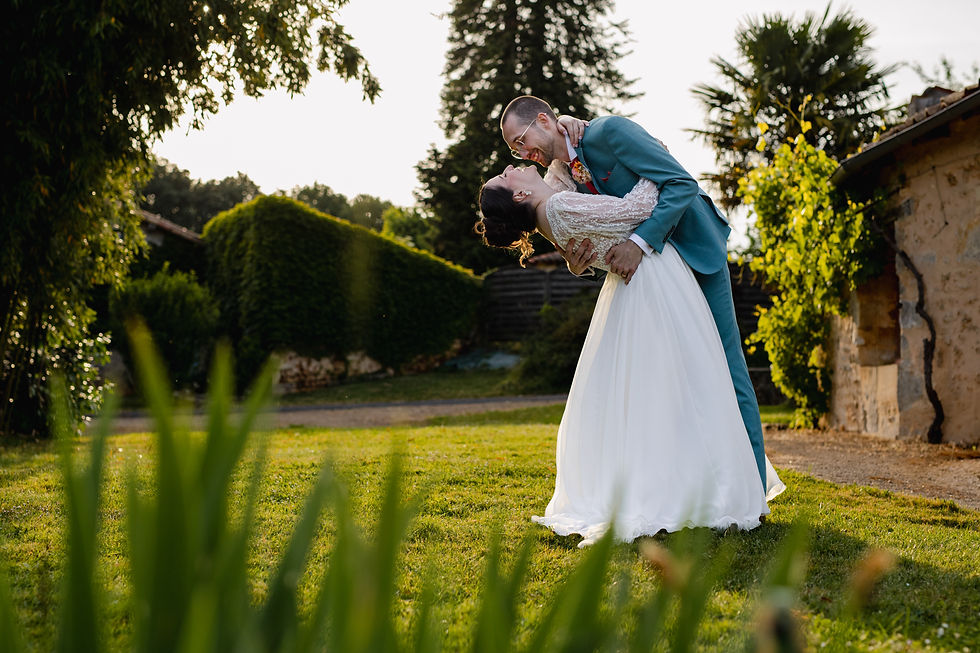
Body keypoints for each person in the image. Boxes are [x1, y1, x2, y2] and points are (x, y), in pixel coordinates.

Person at [477, 164, 784, 546]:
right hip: (653, 282)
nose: (510, 167)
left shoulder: (549, 213)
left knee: (664, 390)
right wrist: (655, 164)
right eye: (505, 178)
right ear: (519, 196)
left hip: (636, 283)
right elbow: (637, 210)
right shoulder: (558, 209)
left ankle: (690, 483)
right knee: (693, 384)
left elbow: (563, 171)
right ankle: (698, 489)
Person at [498, 95, 770, 492]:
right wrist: (582, 267)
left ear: (543, 119)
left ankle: (754, 490)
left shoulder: (610, 132)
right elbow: (600, 236)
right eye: (513, 150)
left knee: (728, 370)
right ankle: (700, 487)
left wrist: (640, 243)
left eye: (521, 141)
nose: (522, 154)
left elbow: (680, 183)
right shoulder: (560, 175)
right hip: (653, 283)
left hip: (694, 252)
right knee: (677, 381)